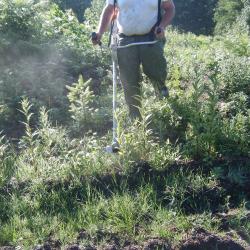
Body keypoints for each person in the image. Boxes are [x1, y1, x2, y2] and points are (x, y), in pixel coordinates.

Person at [92, 0, 175, 120]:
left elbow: (170, 8)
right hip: (126, 39)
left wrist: (162, 26)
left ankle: (163, 96)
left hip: (151, 37)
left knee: (156, 72)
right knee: (129, 78)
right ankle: (135, 115)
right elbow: (109, 10)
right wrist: (100, 33)